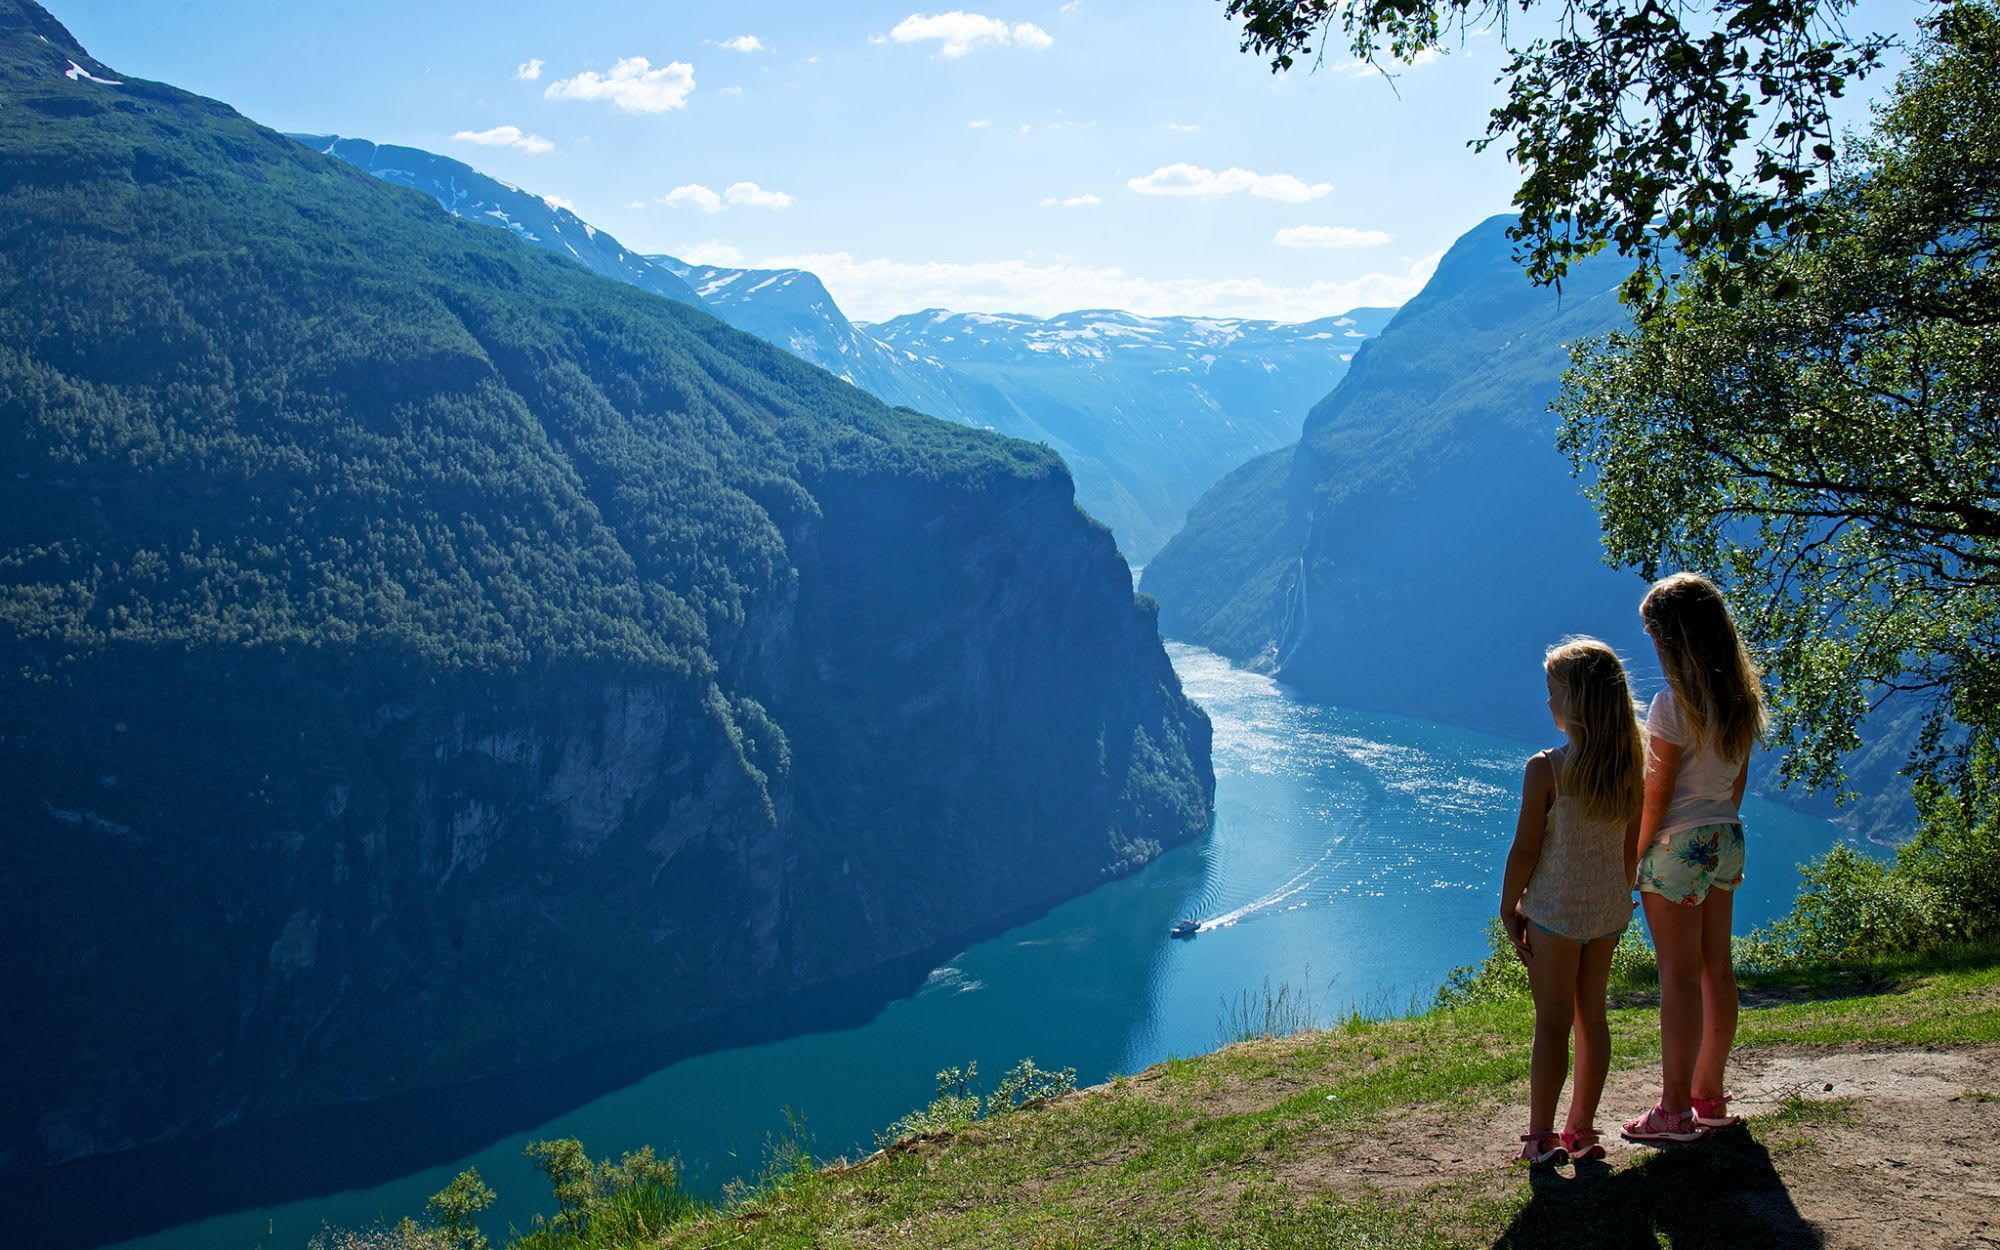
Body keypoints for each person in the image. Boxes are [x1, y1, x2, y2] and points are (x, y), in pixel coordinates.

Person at [1621, 572, 1767, 1144]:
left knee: (1677, 976)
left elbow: (1656, 793)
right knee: (1716, 969)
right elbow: (1737, 783)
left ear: (1671, 639)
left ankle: (1674, 1110)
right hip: (1725, 837)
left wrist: (1635, 859)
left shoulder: (1671, 705)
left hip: (1677, 846)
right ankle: (1708, 1093)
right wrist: (1717, 824)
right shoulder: (1741, 699)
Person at [1501, 638, 1647, 1165]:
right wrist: (1621, 893)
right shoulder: (1632, 766)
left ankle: (1540, 1136)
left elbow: (1525, 850)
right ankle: (1580, 1131)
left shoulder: (1547, 768)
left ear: (1577, 701)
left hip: (1555, 913)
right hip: (1606, 912)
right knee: (1593, 1017)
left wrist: (1508, 906)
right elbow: (1631, 845)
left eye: (1553, 692)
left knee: (1552, 1022)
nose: (1547, 703)